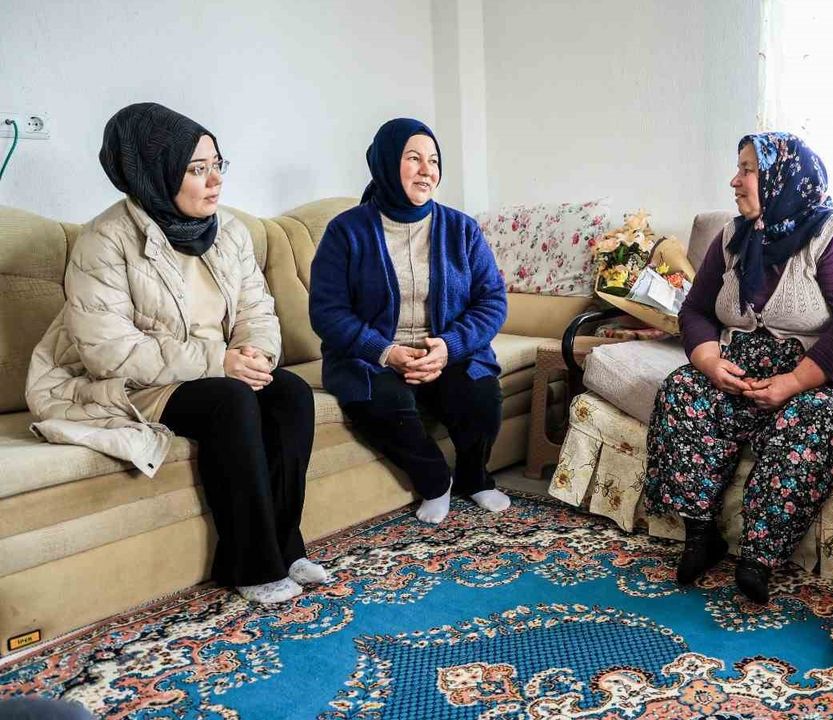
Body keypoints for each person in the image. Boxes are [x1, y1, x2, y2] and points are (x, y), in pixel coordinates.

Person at [25, 103, 324, 605]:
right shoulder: (104, 241)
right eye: (197, 168)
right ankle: (253, 565)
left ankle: (284, 545)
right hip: (128, 386)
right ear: (155, 172)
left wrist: (254, 352)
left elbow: (257, 308)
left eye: (217, 164)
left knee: (291, 393)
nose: (215, 180)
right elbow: (108, 353)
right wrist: (219, 362)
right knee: (230, 401)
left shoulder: (229, 232)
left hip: (217, 370)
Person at [644, 132, 833, 603]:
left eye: (748, 170)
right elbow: (696, 310)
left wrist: (794, 382)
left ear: (783, 178)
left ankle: (759, 557)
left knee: (809, 419)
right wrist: (709, 361)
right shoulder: (733, 237)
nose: (734, 181)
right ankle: (700, 535)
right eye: (739, 169)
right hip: (742, 368)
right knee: (682, 389)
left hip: (827, 376)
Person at [309, 118, 509, 525]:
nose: (426, 170)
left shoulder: (462, 229)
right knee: (383, 403)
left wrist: (449, 346)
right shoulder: (346, 231)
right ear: (385, 163)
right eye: (413, 158)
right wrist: (385, 351)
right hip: (373, 358)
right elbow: (327, 311)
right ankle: (436, 482)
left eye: (433, 161)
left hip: (445, 350)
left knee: (481, 396)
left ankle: (475, 477)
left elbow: (491, 300)